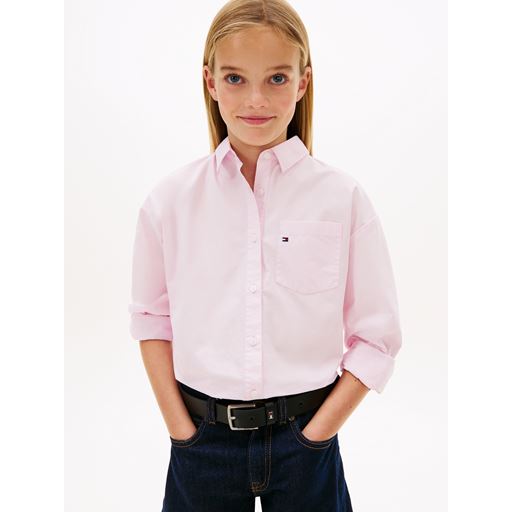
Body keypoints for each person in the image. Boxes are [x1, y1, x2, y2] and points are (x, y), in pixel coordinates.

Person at [128, 0, 402, 510]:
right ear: (210, 82)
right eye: (235, 78)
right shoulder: (169, 202)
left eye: (277, 78)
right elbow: (151, 320)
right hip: (202, 446)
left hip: (306, 445)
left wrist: (317, 435)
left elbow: (377, 337)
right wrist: (181, 432)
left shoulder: (341, 198)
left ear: (302, 83)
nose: (256, 99)